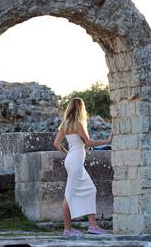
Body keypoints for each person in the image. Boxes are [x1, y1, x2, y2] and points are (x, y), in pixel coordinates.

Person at [53, 97, 113, 236]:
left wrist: (68, 153)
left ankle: (92, 226)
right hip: (75, 160)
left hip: (72, 159)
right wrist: (107, 140)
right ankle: (67, 229)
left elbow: (56, 143)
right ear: (81, 109)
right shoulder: (79, 124)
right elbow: (88, 143)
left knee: (90, 189)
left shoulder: (65, 124)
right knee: (69, 195)